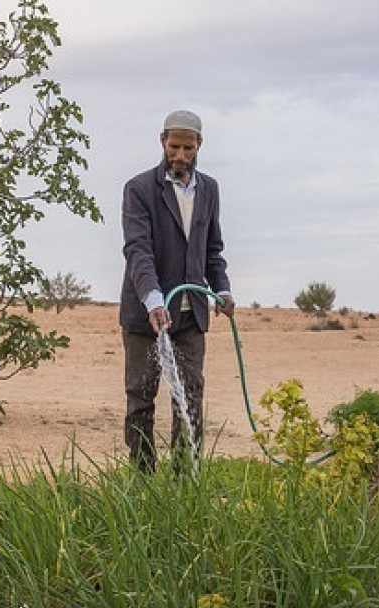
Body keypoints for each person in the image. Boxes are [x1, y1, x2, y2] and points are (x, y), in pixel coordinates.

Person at [119, 109, 236, 472]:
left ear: (199, 145)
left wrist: (223, 290)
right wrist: (153, 299)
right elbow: (137, 249)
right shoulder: (138, 189)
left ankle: (185, 481)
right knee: (141, 398)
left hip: (191, 314)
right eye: (174, 147)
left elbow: (212, 248)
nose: (180, 155)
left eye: (188, 147)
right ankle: (142, 478)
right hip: (147, 317)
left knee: (189, 397)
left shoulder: (210, 189)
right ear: (162, 142)